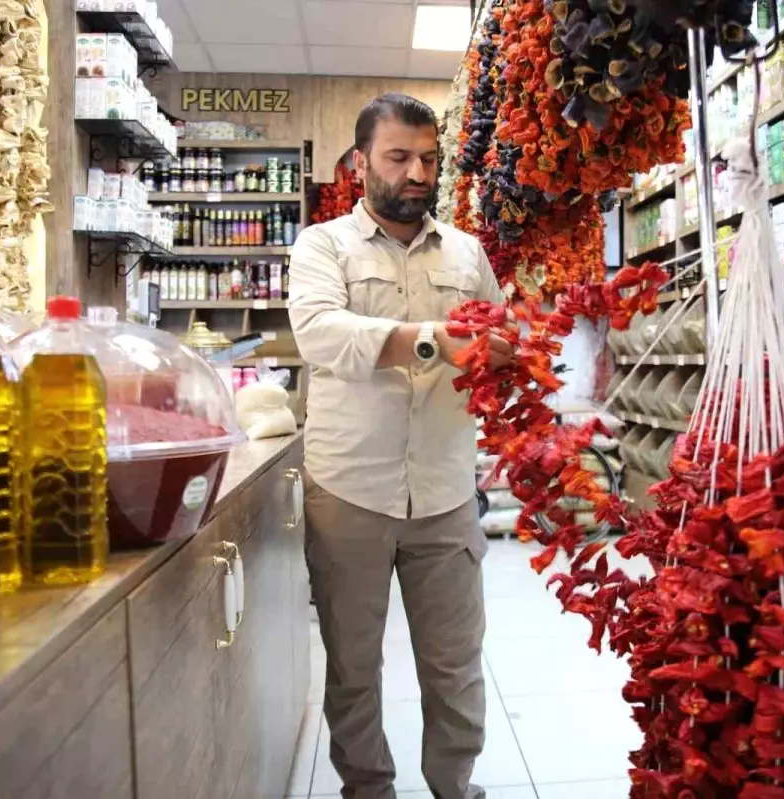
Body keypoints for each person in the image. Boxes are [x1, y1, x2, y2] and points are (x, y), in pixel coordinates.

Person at [287, 93, 513, 799]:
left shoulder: (468, 252)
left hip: (444, 488)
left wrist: (509, 352)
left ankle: (456, 785)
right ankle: (368, 789)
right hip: (349, 489)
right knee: (354, 665)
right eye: (398, 157)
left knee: (455, 662)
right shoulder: (323, 245)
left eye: (428, 158)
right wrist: (432, 340)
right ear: (360, 164)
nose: (417, 172)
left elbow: (498, 336)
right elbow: (319, 332)